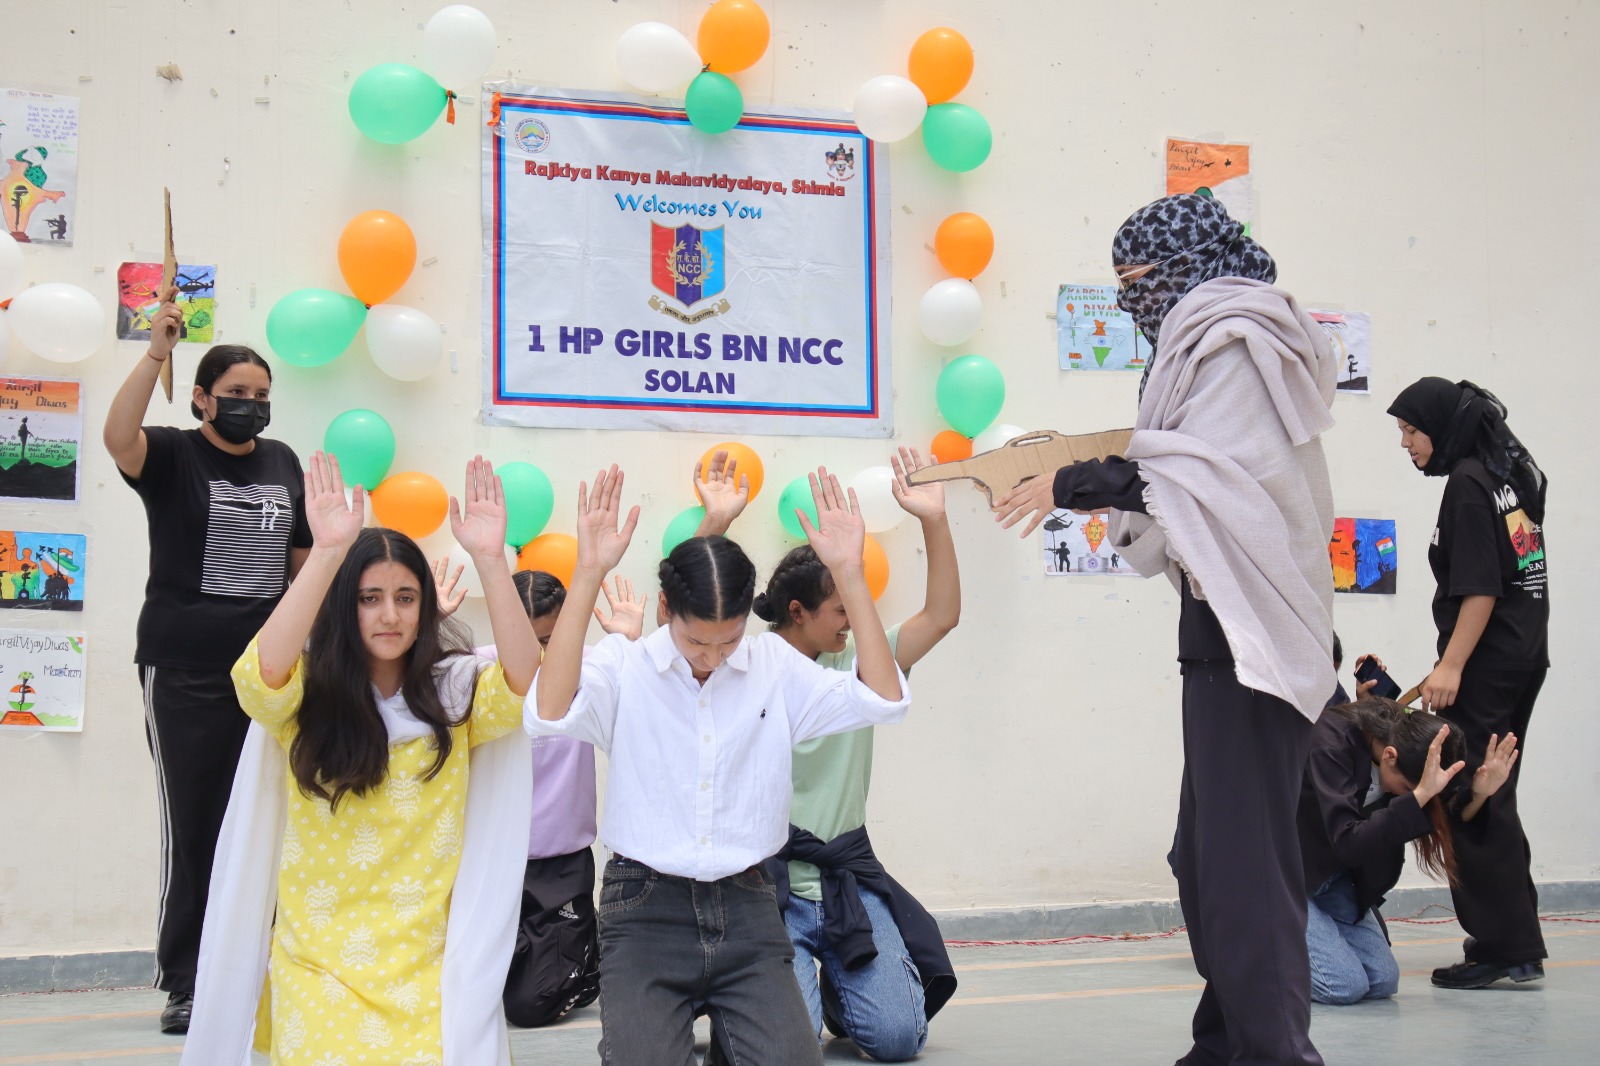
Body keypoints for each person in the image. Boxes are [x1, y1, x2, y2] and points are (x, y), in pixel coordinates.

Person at [994, 194, 1336, 1066]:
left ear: (1185, 264)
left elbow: (1203, 478)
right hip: (1219, 638)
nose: (1129, 300)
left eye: (1137, 280)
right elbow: (1174, 466)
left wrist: (1071, 481)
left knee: (1247, 871)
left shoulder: (1238, 342)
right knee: (1207, 862)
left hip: (1253, 641)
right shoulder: (1203, 343)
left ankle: (1276, 1053)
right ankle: (1223, 1044)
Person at [528, 465, 911, 1066]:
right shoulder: (625, 667)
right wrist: (588, 572)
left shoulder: (772, 666)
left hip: (750, 904)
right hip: (644, 908)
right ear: (665, 609)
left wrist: (850, 574)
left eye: (728, 641)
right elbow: (548, 712)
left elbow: (883, 700)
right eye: (696, 642)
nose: (712, 657)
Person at [178, 454, 537, 1065]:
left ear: (425, 607)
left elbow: (528, 686)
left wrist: (490, 562)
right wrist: (325, 554)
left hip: (426, 975)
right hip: (315, 970)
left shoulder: (456, 696)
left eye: (405, 597)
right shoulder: (305, 696)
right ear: (347, 606)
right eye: (370, 598)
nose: (390, 614)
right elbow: (258, 679)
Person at [694, 447, 959, 1060]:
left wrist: (935, 520)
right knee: (787, 1049)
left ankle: (844, 987)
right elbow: (689, 612)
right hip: (767, 890)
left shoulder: (864, 665)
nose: (852, 620)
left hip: (845, 884)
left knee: (897, 1039)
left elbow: (942, 616)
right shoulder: (741, 665)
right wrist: (717, 523)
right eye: (842, 608)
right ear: (798, 612)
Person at [102, 291, 311, 1034]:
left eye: (262, 394)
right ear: (201, 398)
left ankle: (260, 971)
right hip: (184, 670)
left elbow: (302, 568)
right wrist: (155, 351)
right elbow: (117, 436)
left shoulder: (283, 462)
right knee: (196, 824)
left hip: (269, 676)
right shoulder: (170, 453)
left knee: (267, 822)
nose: (252, 405)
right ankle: (188, 981)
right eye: (237, 392)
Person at [1388, 377, 1550, 989]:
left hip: (1484, 665)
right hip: (1520, 658)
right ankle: (1515, 943)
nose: (1405, 443)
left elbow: (1481, 589)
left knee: (1468, 799)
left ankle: (1504, 947)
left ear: (1443, 427)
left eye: (1412, 430)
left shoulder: (1467, 483)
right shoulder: (1504, 476)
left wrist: (1451, 666)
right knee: (1493, 793)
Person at [464, 569, 644, 1029]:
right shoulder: (476, 668)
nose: (538, 657)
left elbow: (655, 695)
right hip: (494, 859)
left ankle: (586, 950)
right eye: (524, 642)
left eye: (549, 640)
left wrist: (630, 645)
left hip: (561, 864)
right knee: (476, 994)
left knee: (532, 1006)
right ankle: (568, 947)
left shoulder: (591, 666)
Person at [1299, 697, 1520, 1004]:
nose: (1407, 796)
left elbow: (1438, 815)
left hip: (1330, 876)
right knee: (1342, 986)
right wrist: (1416, 797)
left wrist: (1479, 793)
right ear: (1389, 756)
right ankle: (1251, 955)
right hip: (1285, 876)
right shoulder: (1331, 745)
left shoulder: (1400, 737)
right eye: (1407, 789)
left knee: (1382, 981)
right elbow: (1348, 841)